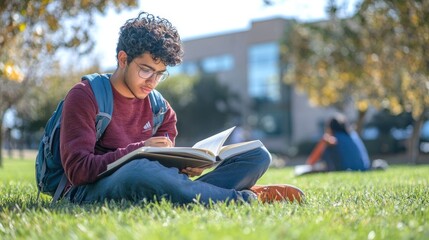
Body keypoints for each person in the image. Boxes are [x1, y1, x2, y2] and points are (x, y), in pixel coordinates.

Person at [60, 12, 304, 205]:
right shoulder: (85, 96)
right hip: (89, 189)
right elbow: (78, 171)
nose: (152, 81)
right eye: (145, 70)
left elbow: (164, 170)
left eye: (160, 74)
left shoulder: (160, 109)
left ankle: (207, 193)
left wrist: (186, 166)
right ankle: (243, 198)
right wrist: (138, 151)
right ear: (123, 59)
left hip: (150, 180)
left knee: (258, 156)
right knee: (138, 171)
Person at [305, 114, 370, 172]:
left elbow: (311, 162)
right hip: (363, 168)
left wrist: (324, 140)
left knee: (327, 148)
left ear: (330, 128)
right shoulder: (353, 135)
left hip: (347, 169)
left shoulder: (333, 138)